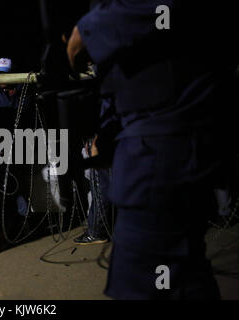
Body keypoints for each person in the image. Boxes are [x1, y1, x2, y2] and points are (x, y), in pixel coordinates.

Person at [67, 1, 238, 299]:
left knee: (149, 279)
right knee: (177, 271)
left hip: (159, 159)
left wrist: (74, 51)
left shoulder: (154, 10)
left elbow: (79, 43)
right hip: (167, 152)